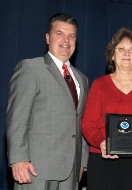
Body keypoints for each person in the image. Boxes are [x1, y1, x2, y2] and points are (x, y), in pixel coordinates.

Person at [6, 13, 88, 190]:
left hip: (71, 171)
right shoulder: (30, 68)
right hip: (36, 170)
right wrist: (18, 159)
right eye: (60, 33)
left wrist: (82, 161)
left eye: (71, 36)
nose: (66, 40)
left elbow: (81, 123)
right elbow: (17, 119)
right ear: (47, 37)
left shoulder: (82, 79)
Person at [81, 28, 132, 190]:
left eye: (131, 50)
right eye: (121, 49)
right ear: (112, 55)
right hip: (102, 158)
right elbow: (88, 123)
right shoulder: (99, 85)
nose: (127, 53)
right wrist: (101, 142)